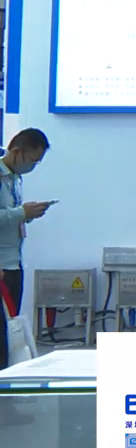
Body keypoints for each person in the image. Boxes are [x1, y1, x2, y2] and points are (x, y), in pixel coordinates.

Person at [0, 129, 53, 370]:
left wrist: (27, 214)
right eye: (32, 160)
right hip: (2, 264)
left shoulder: (14, 179)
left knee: (10, 329)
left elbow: (8, 215)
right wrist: (21, 212)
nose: (33, 166)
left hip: (13, 263)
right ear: (16, 151)